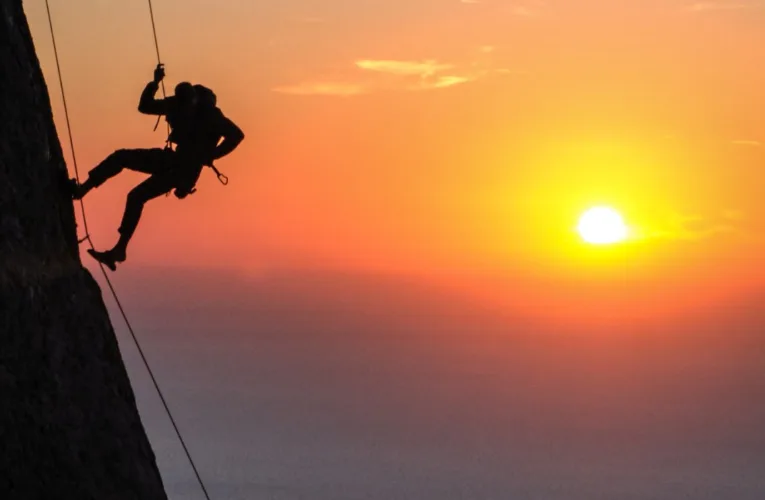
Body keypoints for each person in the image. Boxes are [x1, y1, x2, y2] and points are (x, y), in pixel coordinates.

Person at [70, 64, 245, 271]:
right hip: (172, 160)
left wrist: (212, 155)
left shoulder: (211, 116)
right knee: (121, 157)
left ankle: (119, 249)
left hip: (184, 170)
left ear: (195, 102)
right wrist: (155, 82)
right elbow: (145, 107)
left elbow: (237, 135)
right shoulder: (178, 103)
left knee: (136, 196)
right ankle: (84, 189)